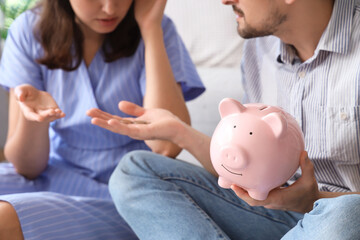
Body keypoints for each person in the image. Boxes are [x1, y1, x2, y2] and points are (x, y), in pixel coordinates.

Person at [88, 0, 360, 239]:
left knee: (348, 214)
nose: (225, 1)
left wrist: (314, 200)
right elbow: (247, 166)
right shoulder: (259, 48)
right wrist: (180, 132)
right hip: (273, 213)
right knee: (134, 170)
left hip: (340, 220)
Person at [0, 0, 205, 239]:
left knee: (4, 220)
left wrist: (150, 29)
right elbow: (28, 168)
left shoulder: (159, 29)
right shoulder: (28, 29)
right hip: (52, 173)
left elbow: (167, 146)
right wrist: (36, 119)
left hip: (127, 190)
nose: (110, 8)